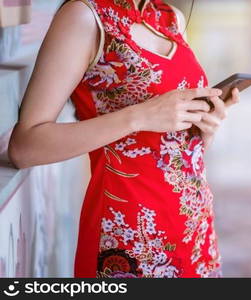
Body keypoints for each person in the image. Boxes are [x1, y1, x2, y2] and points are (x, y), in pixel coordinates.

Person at [7, 0, 238, 278]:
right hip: (128, 235)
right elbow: (25, 146)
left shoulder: (169, 19)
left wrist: (204, 128)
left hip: (194, 229)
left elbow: (168, 147)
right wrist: (137, 117)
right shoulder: (85, 17)